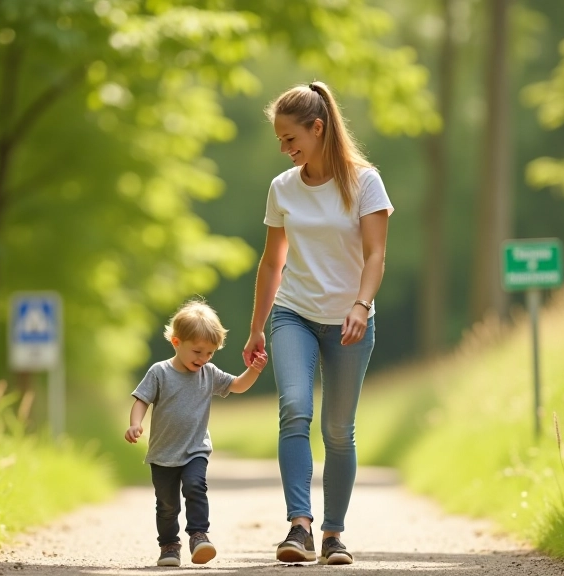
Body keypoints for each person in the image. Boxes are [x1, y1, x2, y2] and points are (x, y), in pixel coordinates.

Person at [242, 80, 393, 566]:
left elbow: (376, 255)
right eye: (280, 141)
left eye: (292, 139)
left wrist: (361, 305)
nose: (285, 150)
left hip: (350, 321)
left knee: (338, 429)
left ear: (318, 128)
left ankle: (333, 535)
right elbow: (271, 262)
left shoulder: (364, 181)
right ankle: (299, 527)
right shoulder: (282, 188)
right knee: (295, 408)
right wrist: (256, 327)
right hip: (294, 314)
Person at [126, 299, 268, 568]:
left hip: (195, 449)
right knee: (166, 504)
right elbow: (141, 400)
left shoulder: (209, 373)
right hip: (162, 453)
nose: (203, 359)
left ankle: (199, 535)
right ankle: (169, 545)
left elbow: (236, 386)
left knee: (195, 486)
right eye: (198, 351)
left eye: (209, 354)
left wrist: (254, 370)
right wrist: (135, 423)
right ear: (176, 342)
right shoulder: (160, 372)